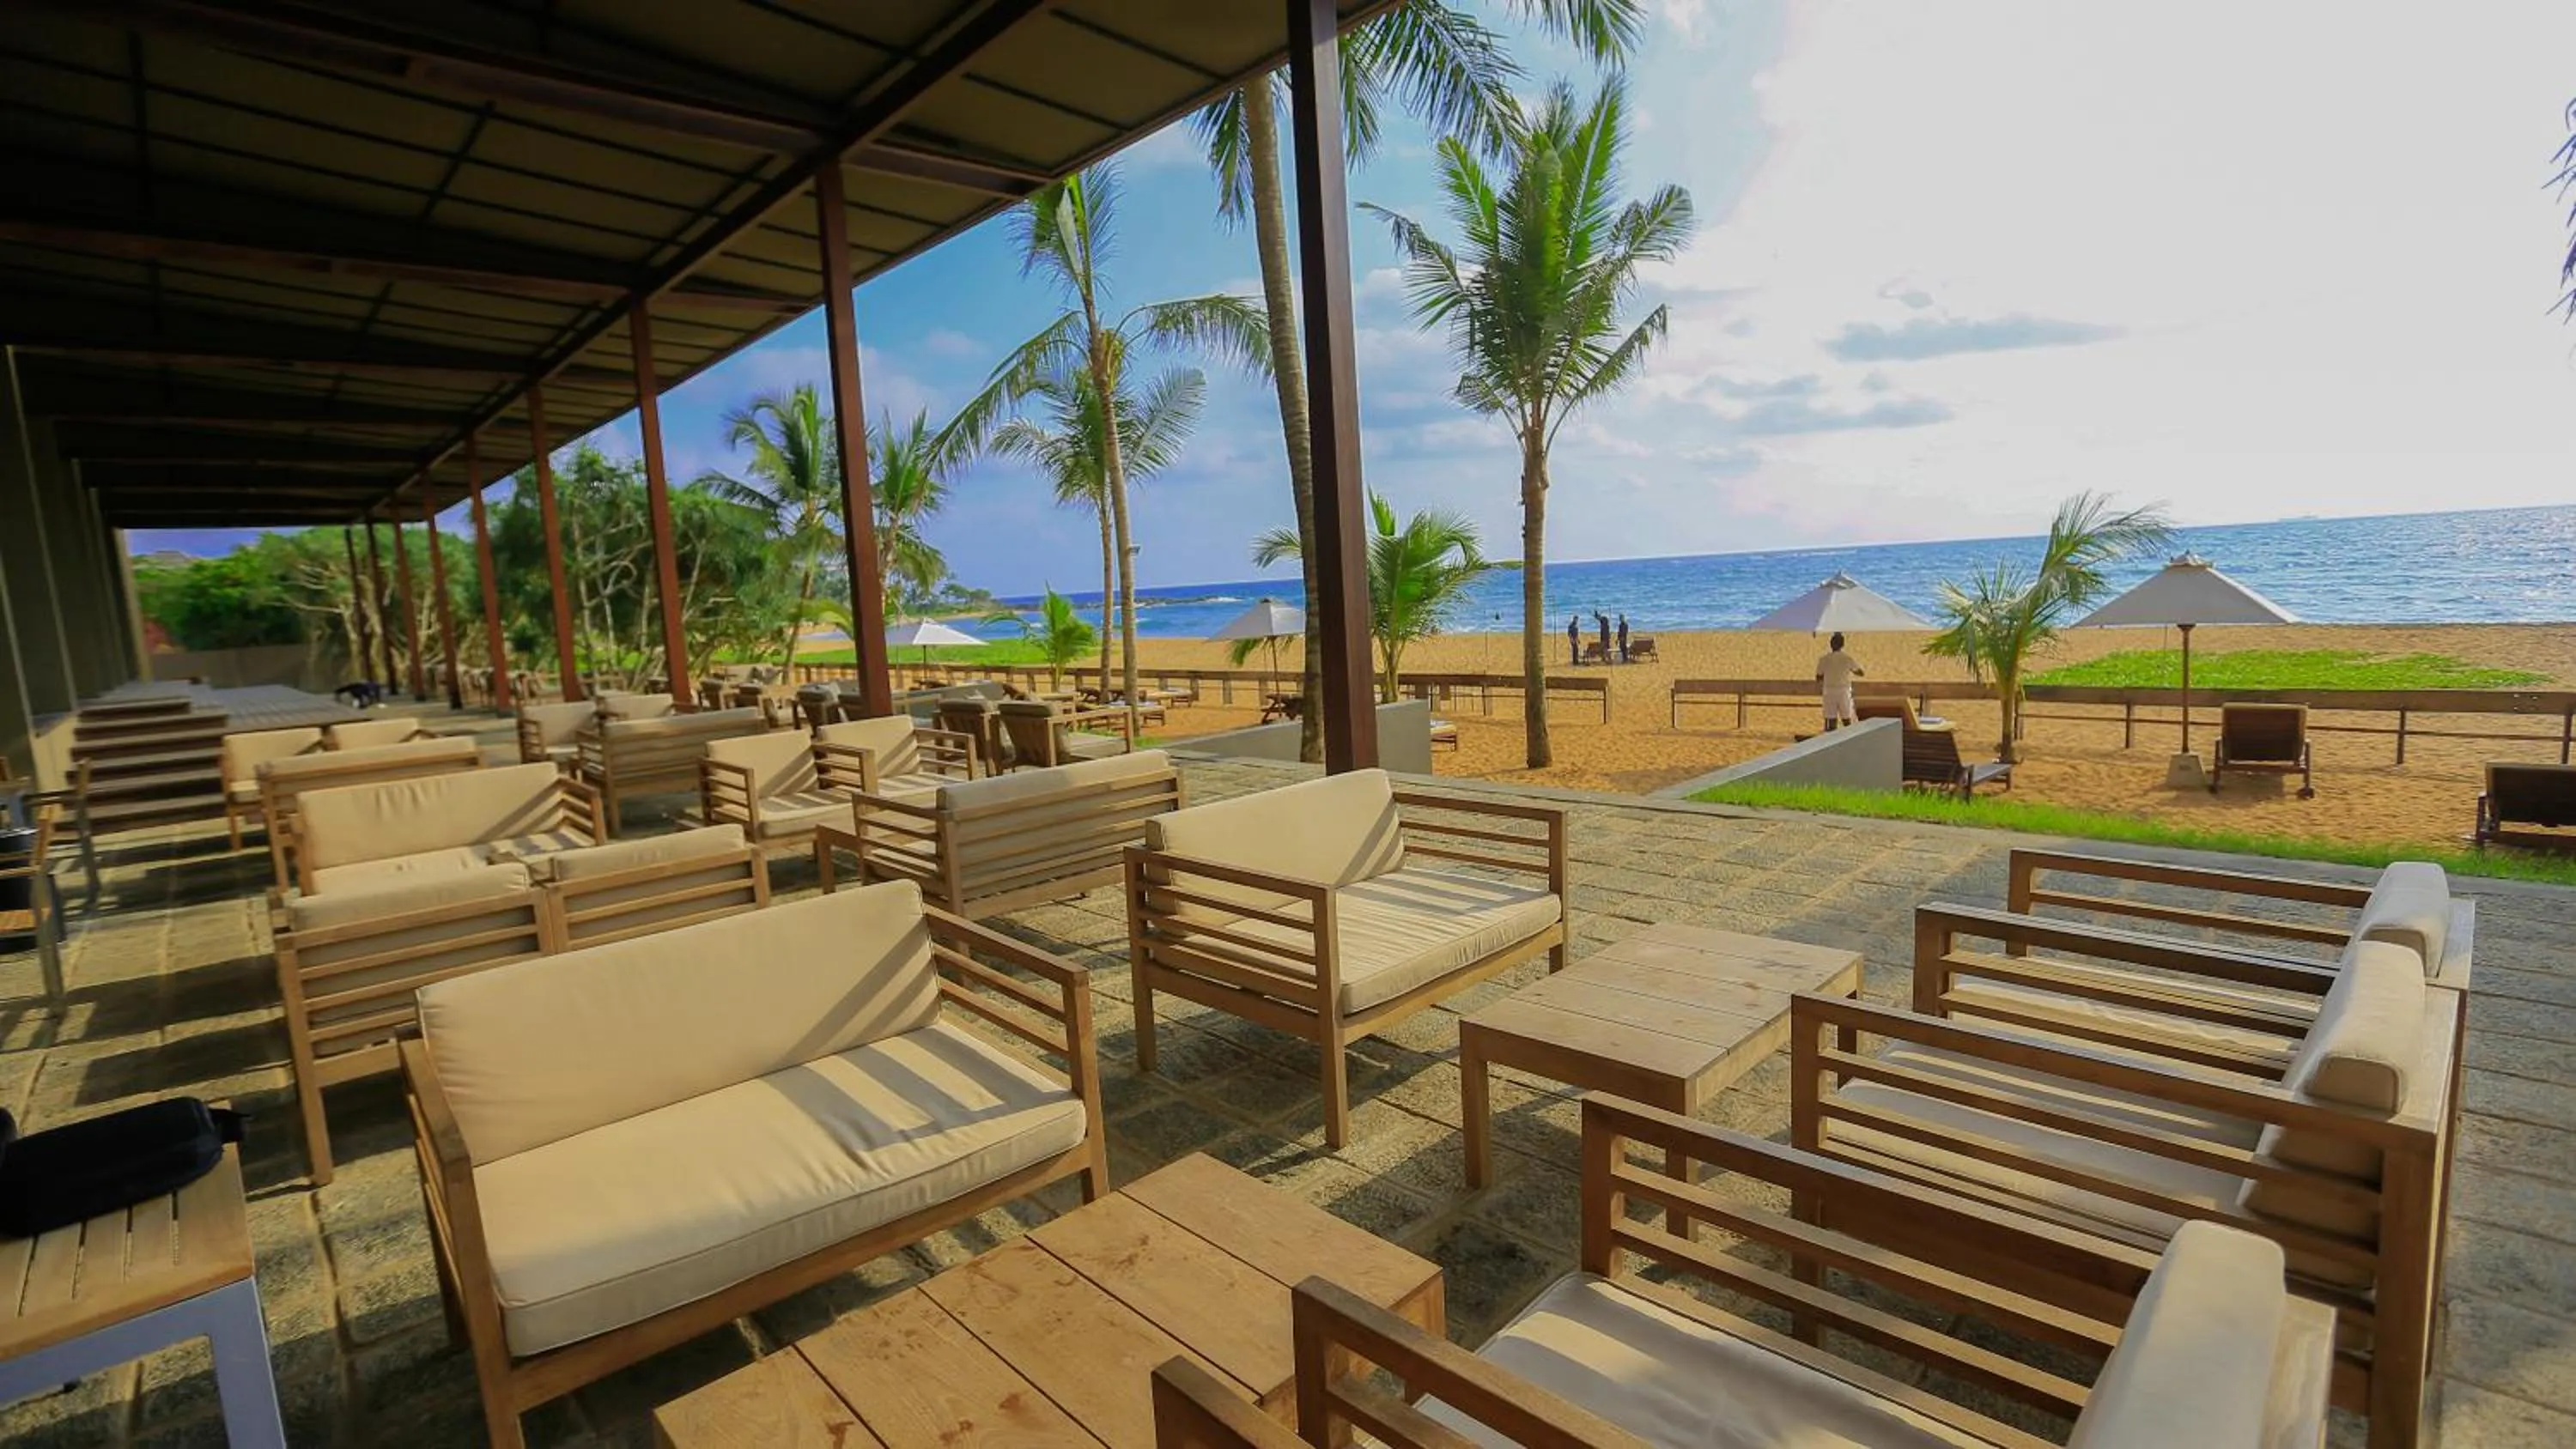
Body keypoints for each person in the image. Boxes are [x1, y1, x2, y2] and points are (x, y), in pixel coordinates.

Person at [1815, 632, 1863, 731]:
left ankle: (1832, 738)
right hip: (1843, 691)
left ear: (1831, 644)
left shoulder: (1824, 659)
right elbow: (1860, 673)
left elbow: (1818, 677)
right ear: (1842, 645)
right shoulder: (1847, 659)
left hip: (1829, 691)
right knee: (1846, 719)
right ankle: (1848, 738)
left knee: (1831, 720)